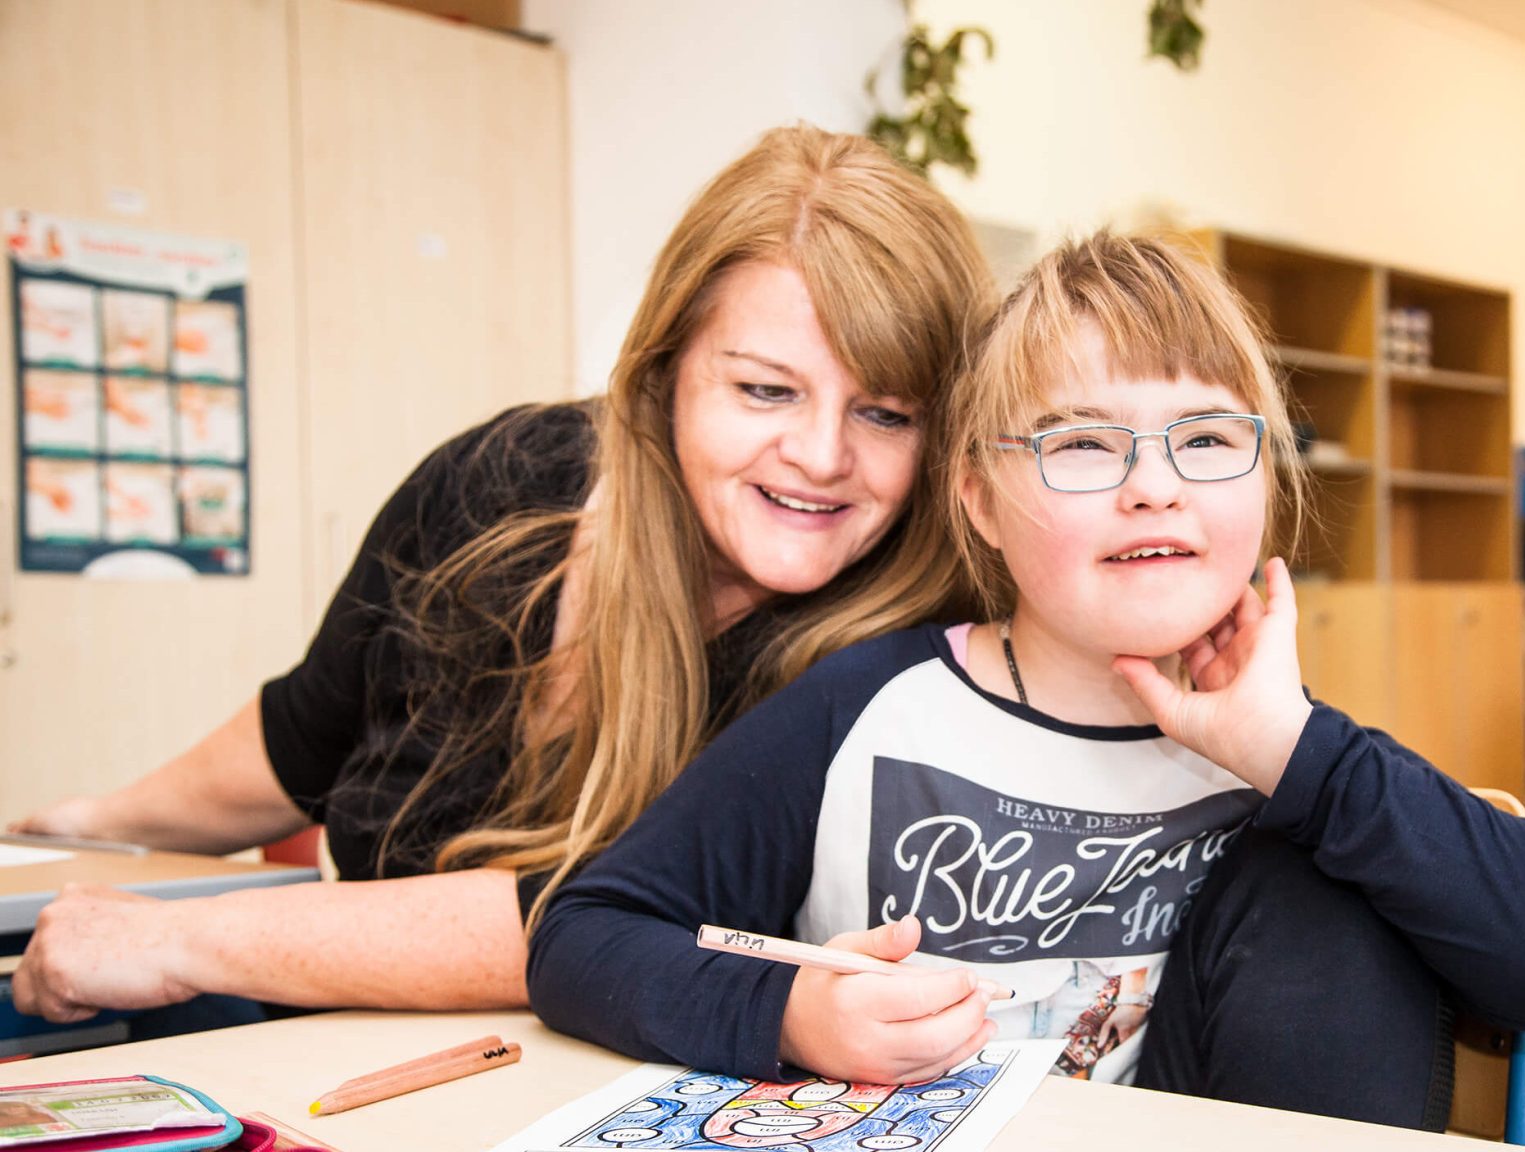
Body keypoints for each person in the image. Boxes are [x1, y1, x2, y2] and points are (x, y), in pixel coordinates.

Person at [524, 233, 1525, 1129]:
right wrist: (795, 1014)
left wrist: (1297, 753)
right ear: (976, 502)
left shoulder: (1289, 759)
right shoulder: (868, 705)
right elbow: (583, 934)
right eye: (1083, 445)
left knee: (1325, 883)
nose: (1153, 487)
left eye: (1203, 439)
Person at [6, 124, 992, 1028]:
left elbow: (591, 923)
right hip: (321, 1052)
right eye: (764, 389)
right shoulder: (510, 475)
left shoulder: (903, 660)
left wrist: (180, 937)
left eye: (885, 413)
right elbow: (306, 733)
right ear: (663, 373)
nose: (819, 455)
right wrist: (82, 825)